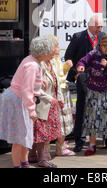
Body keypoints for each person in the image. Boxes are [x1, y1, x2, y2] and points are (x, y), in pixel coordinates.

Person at [0, 36, 55, 168]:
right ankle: (18, 166)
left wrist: (40, 81)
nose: (53, 53)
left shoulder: (32, 60)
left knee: (24, 134)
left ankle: (25, 163)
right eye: (51, 51)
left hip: (18, 98)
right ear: (44, 52)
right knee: (19, 136)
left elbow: (28, 81)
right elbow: (27, 90)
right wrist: (32, 110)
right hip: (18, 100)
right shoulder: (32, 65)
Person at [76, 35, 107, 156]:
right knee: (93, 117)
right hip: (95, 91)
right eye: (106, 46)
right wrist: (80, 65)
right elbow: (82, 60)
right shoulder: (93, 54)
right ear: (101, 46)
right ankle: (92, 145)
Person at [64, 15, 107, 152]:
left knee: (100, 108)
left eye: (101, 26)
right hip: (83, 77)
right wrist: (75, 73)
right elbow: (68, 56)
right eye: (97, 26)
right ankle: (79, 141)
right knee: (82, 108)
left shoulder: (103, 37)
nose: (99, 29)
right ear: (90, 25)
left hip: (100, 78)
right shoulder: (78, 37)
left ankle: (103, 139)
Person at [31, 39, 65, 168]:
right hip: (42, 103)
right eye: (53, 48)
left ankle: (34, 155)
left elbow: (56, 82)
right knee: (41, 132)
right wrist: (49, 98)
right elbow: (35, 87)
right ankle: (41, 159)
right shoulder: (38, 64)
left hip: (50, 101)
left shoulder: (51, 63)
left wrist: (59, 97)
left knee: (43, 132)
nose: (55, 51)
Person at [45, 34, 75, 157]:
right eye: (56, 46)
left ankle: (59, 147)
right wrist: (66, 66)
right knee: (52, 123)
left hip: (62, 92)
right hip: (55, 94)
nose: (59, 48)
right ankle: (45, 152)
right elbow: (55, 77)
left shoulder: (56, 59)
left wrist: (66, 66)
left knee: (64, 122)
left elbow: (60, 75)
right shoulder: (48, 61)